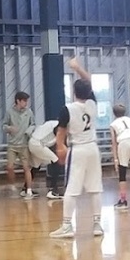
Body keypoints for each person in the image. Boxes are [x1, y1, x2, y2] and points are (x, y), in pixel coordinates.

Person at [50, 58, 104, 239]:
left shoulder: (68, 109)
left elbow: (61, 132)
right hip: (93, 149)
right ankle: (97, 224)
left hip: (78, 149)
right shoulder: (92, 105)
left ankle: (66, 225)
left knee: (71, 189)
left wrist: (60, 148)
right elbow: (88, 80)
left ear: (73, 92)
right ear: (88, 92)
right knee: (95, 188)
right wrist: (77, 68)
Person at [3, 90, 36, 199]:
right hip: (12, 145)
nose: (26, 103)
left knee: (27, 168)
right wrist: (9, 128)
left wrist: (29, 131)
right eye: (24, 101)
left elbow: (33, 124)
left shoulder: (29, 112)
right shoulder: (9, 112)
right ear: (18, 101)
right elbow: (4, 126)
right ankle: (12, 185)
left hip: (24, 144)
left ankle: (29, 190)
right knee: (10, 167)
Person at [28, 118, 63, 200]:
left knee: (36, 165)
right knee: (56, 161)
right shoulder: (58, 126)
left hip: (34, 142)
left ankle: (26, 188)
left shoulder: (52, 123)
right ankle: (52, 191)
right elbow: (56, 132)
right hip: (38, 144)